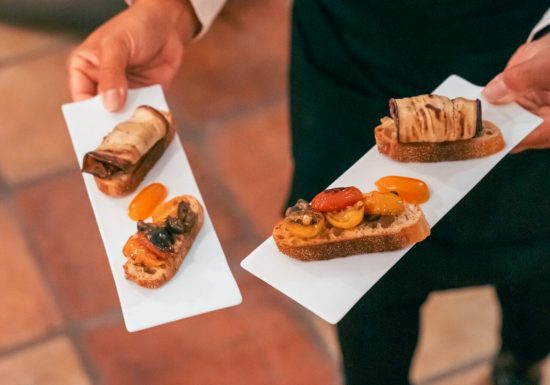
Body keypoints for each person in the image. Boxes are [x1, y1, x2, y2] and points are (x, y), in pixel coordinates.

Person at [68, 1, 550, 384]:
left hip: (527, 58)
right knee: (364, 295)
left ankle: (521, 362)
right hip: (352, 60)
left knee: (535, 267)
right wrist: (172, 7)